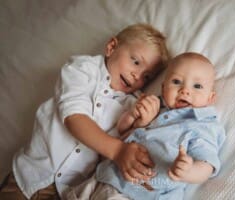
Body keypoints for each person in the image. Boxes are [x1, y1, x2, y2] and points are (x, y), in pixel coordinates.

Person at [0, 23, 170, 200]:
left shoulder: (130, 104)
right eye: (135, 62)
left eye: (147, 76)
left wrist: (139, 123)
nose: (137, 75)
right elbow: (74, 117)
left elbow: (115, 152)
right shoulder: (83, 69)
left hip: (65, 191)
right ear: (111, 47)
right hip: (29, 175)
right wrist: (118, 150)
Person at [67, 52, 226, 200]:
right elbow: (122, 131)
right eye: (176, 82)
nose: (185, 91)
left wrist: (190, 171)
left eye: (197, 86)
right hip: (104, 177)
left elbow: (207, 164)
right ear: (163, 89)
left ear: (210, 98)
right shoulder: (156, 109)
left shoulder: (202, 125)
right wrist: (134, 116)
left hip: (138, 193)